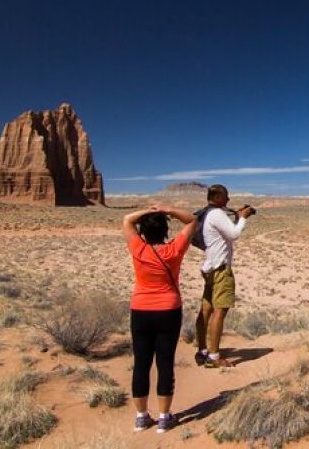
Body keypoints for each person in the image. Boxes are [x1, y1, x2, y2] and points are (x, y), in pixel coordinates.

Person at [122, 203, 196, 433]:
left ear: (143, 232)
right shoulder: (174, 250)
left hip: (141, 310)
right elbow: (192, 220)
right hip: (168, 310)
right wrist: (168, 210)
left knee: (141, 364)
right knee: (165, 363)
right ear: (165, 231)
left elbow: (127, 220)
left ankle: (142, 417)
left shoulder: (138, 249)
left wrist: (147, 212)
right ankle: (165, 418)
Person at [194, 184, 254, 368]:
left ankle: (203, 351)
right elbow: (234, 234)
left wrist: (236, 217)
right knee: (219, 311)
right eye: (226, 197)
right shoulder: (217, 214)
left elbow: (224, 234)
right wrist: (243, 218)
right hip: (220, 269)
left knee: (206, 310)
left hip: (210, 267)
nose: (228, 200)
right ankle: (214, 357)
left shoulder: (206, 213)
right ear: (219, 197)